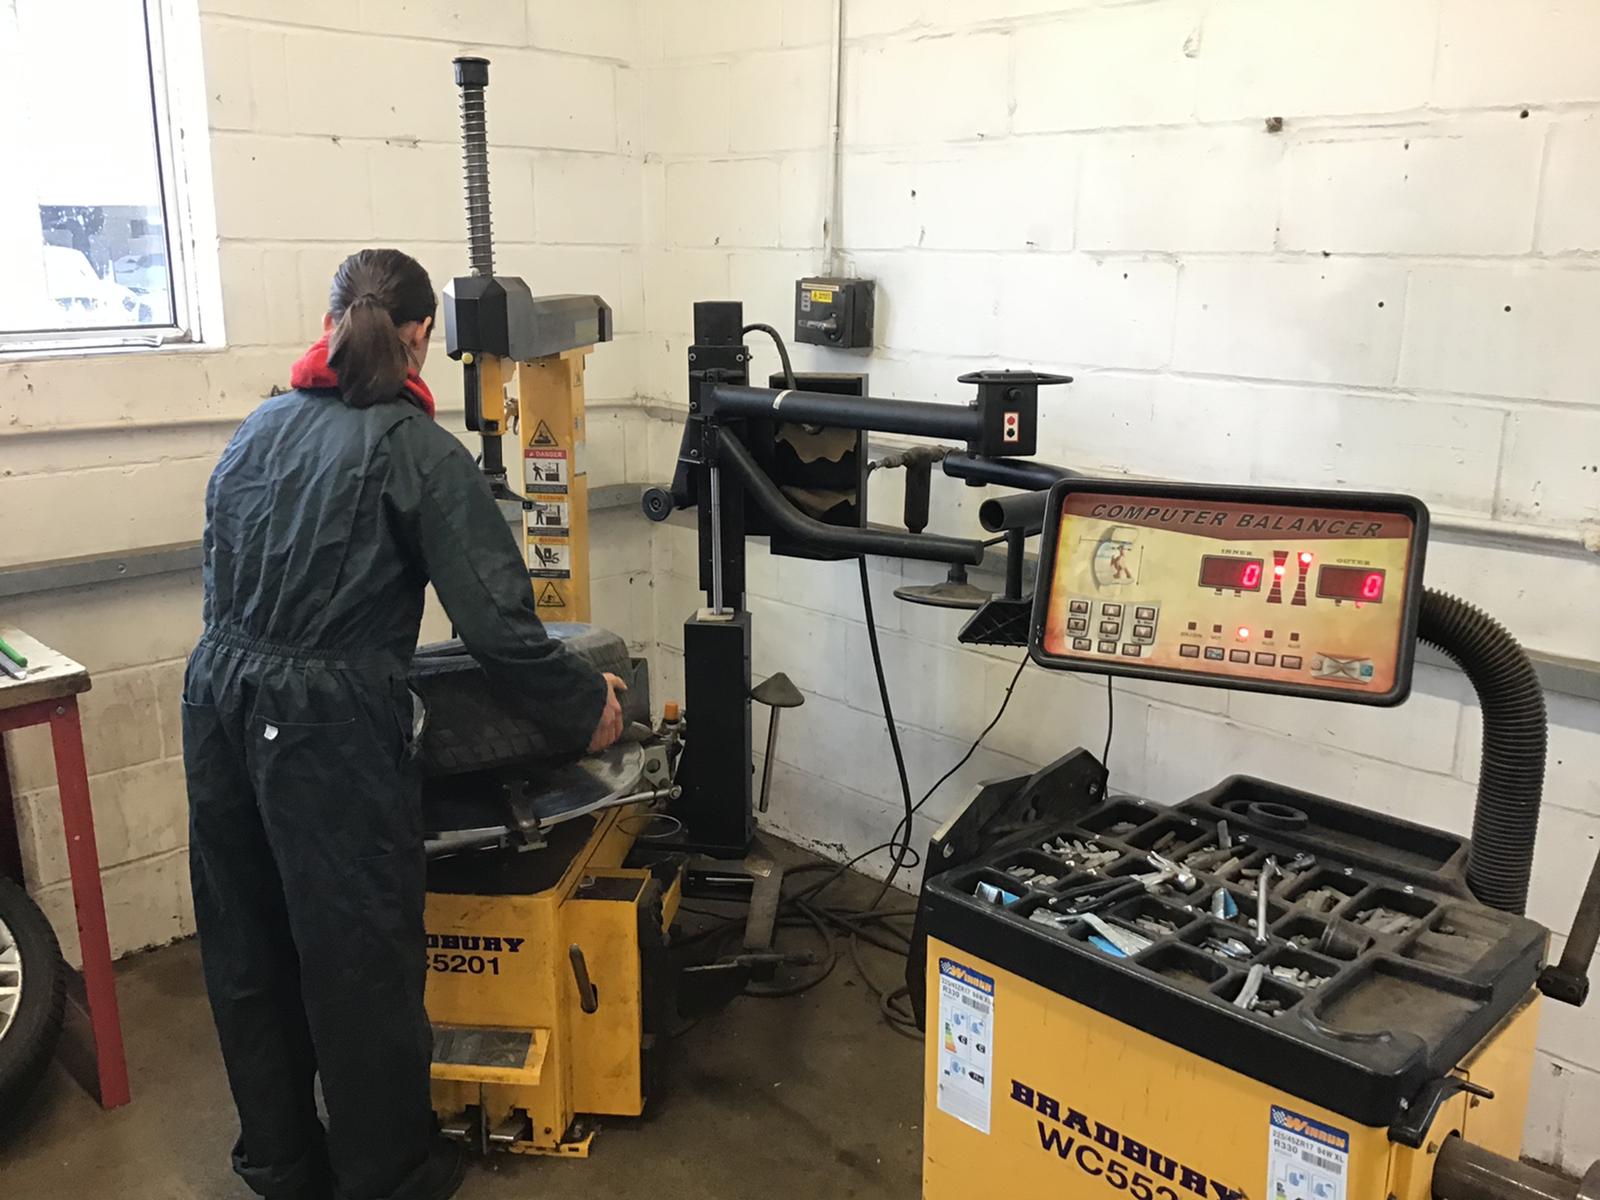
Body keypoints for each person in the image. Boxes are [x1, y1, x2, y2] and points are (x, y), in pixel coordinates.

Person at [182, 248, 626, 1200]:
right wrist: (587, 708)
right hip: (325, 733)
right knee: (358, 960)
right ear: (423, 337)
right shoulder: (415, 450)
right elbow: (501, 632)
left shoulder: (255, 427)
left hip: (216, 704)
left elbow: (224, 590)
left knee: (247, 945)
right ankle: (386, 1175)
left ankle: (279, 1163)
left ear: (330, 319)